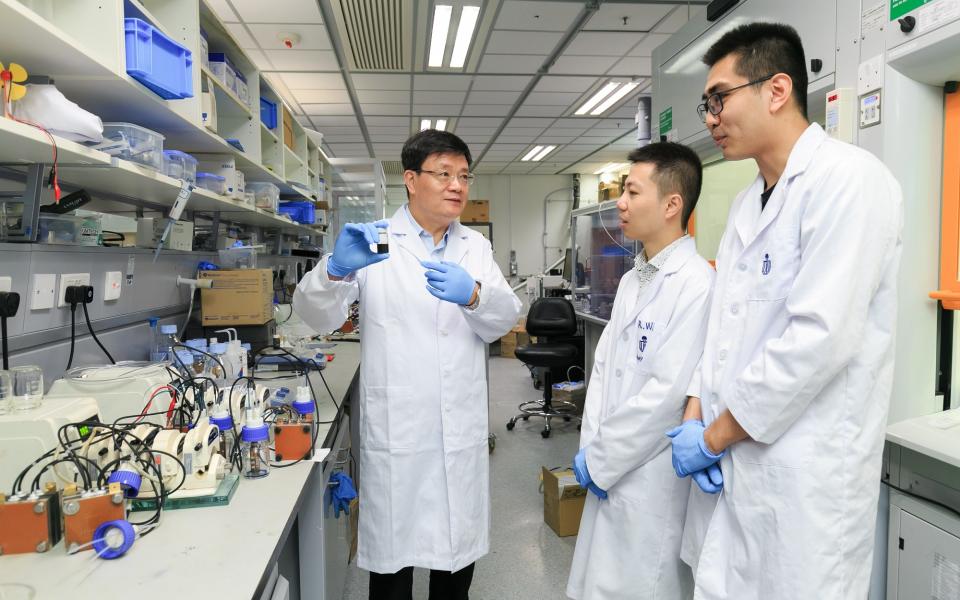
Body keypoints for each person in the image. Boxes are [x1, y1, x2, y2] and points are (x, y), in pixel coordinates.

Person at [669, 22, 903, 599]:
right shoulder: (749, 203)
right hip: (736, 473)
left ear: (776, 90)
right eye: (706, 103)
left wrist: (716, 436)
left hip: (806, 485)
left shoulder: (850, 181)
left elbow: (818, 339)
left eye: (719, 98)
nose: (709, 118)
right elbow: (718, 330)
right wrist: (696, 415)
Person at [292, 129, 522, 600]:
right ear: (412, 180)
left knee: (455, 567)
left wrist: (475, 294)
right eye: (444, 174)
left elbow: (502, 320)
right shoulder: (377, 240)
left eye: (463, 175)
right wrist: (334, 270)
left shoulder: (474, 247)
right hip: (399, 428)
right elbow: (315, 314)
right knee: (393, 572)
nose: (457, 185)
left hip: (457, 427)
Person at [567, 142, 716, 600]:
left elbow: (667, 396)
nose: (621, 203)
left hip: (650, 480)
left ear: (673, 204)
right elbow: (608, 375)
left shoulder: (696, 284)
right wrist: (593, 448)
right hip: (612, 466)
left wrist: (602, 458)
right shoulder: (635, 278)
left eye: (632, 192)